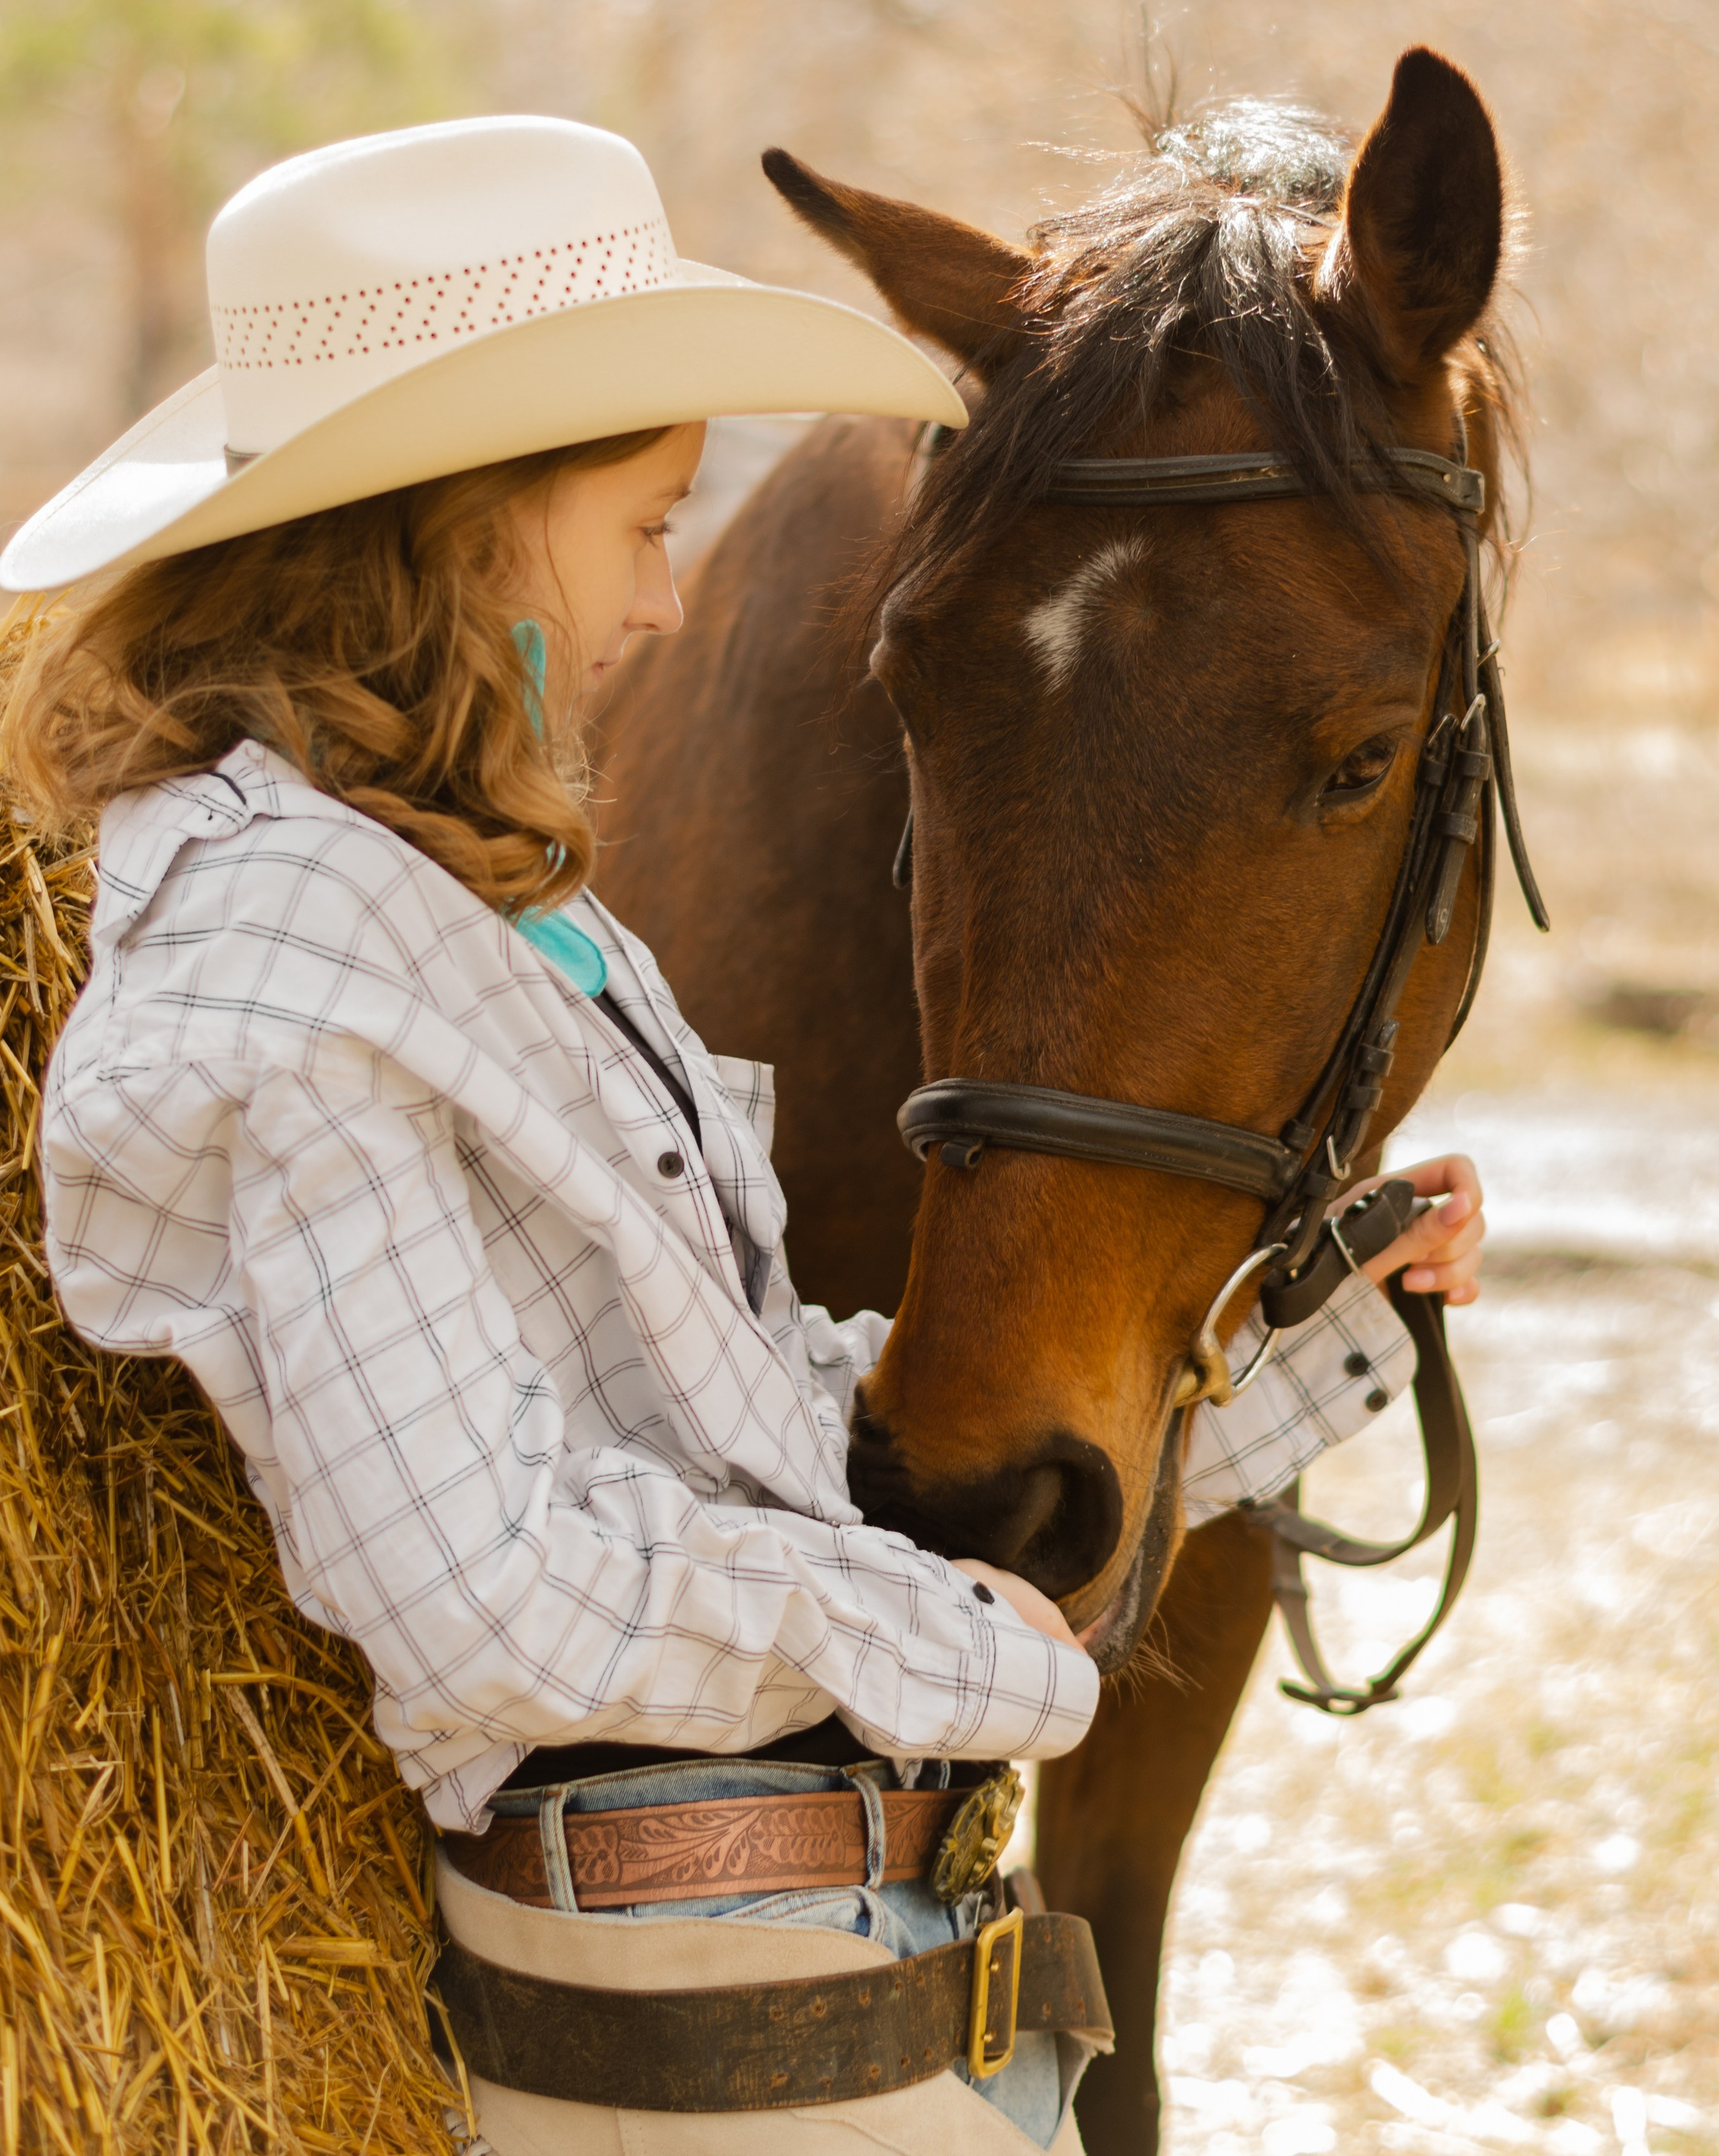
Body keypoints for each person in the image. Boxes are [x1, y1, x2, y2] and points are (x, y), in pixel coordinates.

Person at [0, 116, 1485, 2156]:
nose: (676, 606)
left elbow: (752, 1441)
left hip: (840, 1987)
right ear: (462, 529)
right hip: (698, 2033)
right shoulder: (283, 969)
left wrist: (1318, 1337)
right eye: (642, 525)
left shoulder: (503, 917)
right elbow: (486, 1594)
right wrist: (974, 1655)